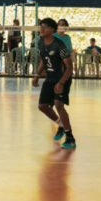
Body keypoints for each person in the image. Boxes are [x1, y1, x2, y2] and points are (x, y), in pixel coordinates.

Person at [33, 17, 74, 149]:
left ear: (52, 30)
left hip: (62, 78)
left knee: (58, 105)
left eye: (44, 27)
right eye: (41, 26)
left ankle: (70, 138)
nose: (41, 29)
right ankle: (61, 125)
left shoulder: (59, 45)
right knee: (43, 106)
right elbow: (43, 59)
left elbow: (69, 67)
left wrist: (61, 83)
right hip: (50, 78)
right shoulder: (40, 42)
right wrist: (37, 75)